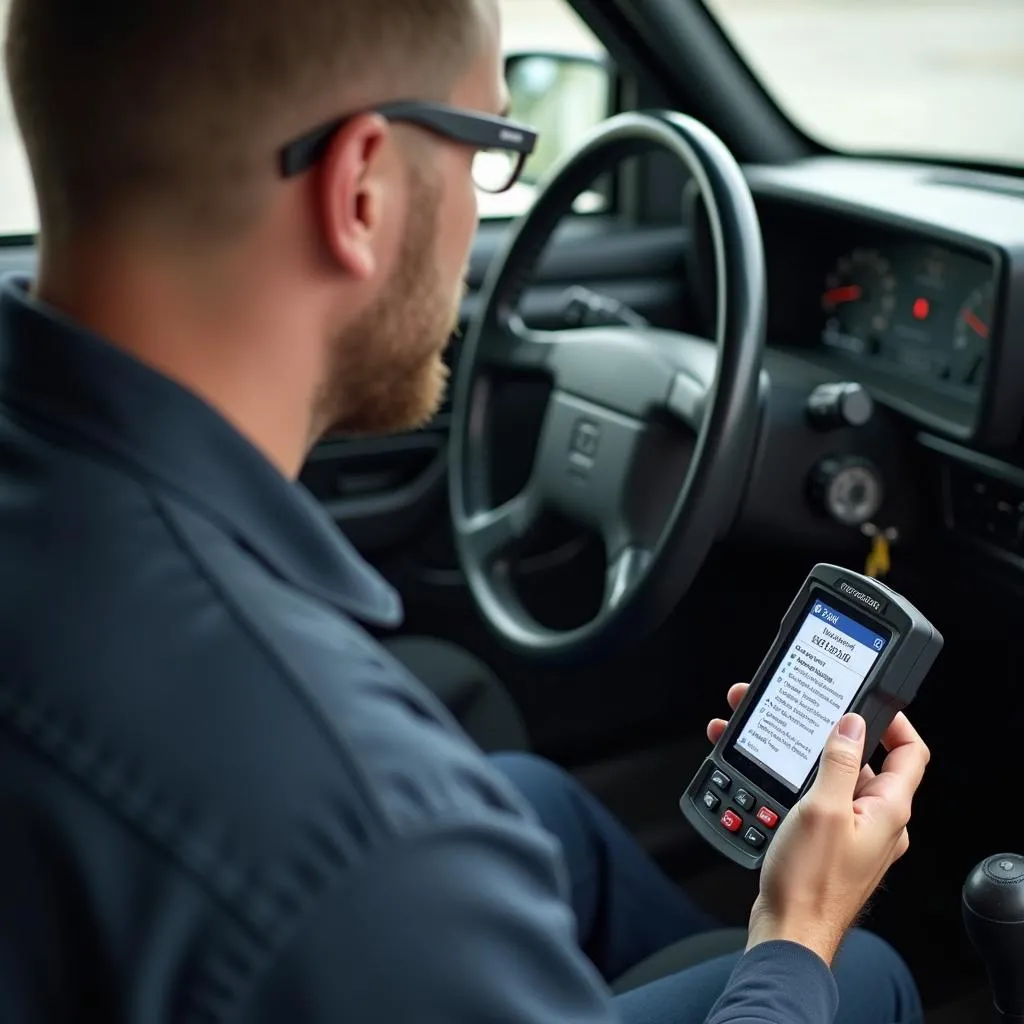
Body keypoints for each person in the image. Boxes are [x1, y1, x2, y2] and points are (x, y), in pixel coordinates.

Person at [0, 0, 929, 1022]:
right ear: (359, 190)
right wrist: (797, 930)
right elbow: (367, 847)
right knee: (859, 975)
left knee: (538, 809)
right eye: (490, 144)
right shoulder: (371, 828)